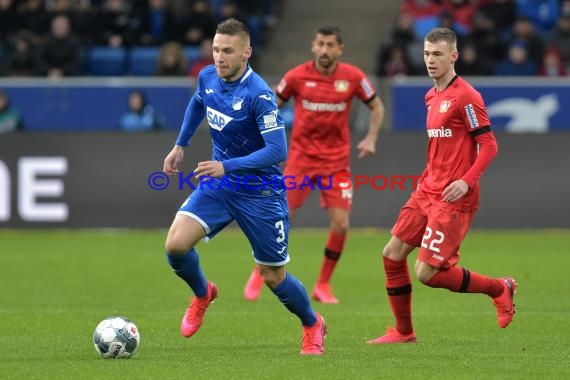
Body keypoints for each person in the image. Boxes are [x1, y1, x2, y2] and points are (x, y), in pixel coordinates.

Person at [162, 18, 327, 355]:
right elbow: (198, 101)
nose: (219, 58)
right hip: (220, 186)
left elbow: (278, 151)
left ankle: (312, 324)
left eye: (227, 51)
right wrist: (181, 144)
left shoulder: (260, 96)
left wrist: (226, 165)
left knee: (272, 276)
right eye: (216, 50)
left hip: (260, 193)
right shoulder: (208, 76)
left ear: (246, 53)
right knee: (176, 245)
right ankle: (202, 293)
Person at [367, 27, 516, 345]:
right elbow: (442, 145)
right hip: (428, 189)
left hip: (454, 196)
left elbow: (489, 145)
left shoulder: (467, 96)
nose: (430, 60)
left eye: (437, 54)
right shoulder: (430, 96)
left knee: (427, 274)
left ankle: (498, 288)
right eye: (426, 53)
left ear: (454, 56)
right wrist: (428, 174)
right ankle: (404, 333)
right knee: (392, 254)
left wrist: (466, 181)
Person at [243, 26, 385, 304]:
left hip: (335, 163)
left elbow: (377, 106)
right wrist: (269, 144)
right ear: (313, 46)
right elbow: (270, 108)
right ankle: (258, 271)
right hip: (300, 160)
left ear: (339, 49)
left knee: (342, 225)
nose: (324, 50)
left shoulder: (353, 77)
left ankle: (322, 284)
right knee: (282, 219)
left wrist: (371, 138)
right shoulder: (296, 76)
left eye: (330, 45)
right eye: (320, 43)